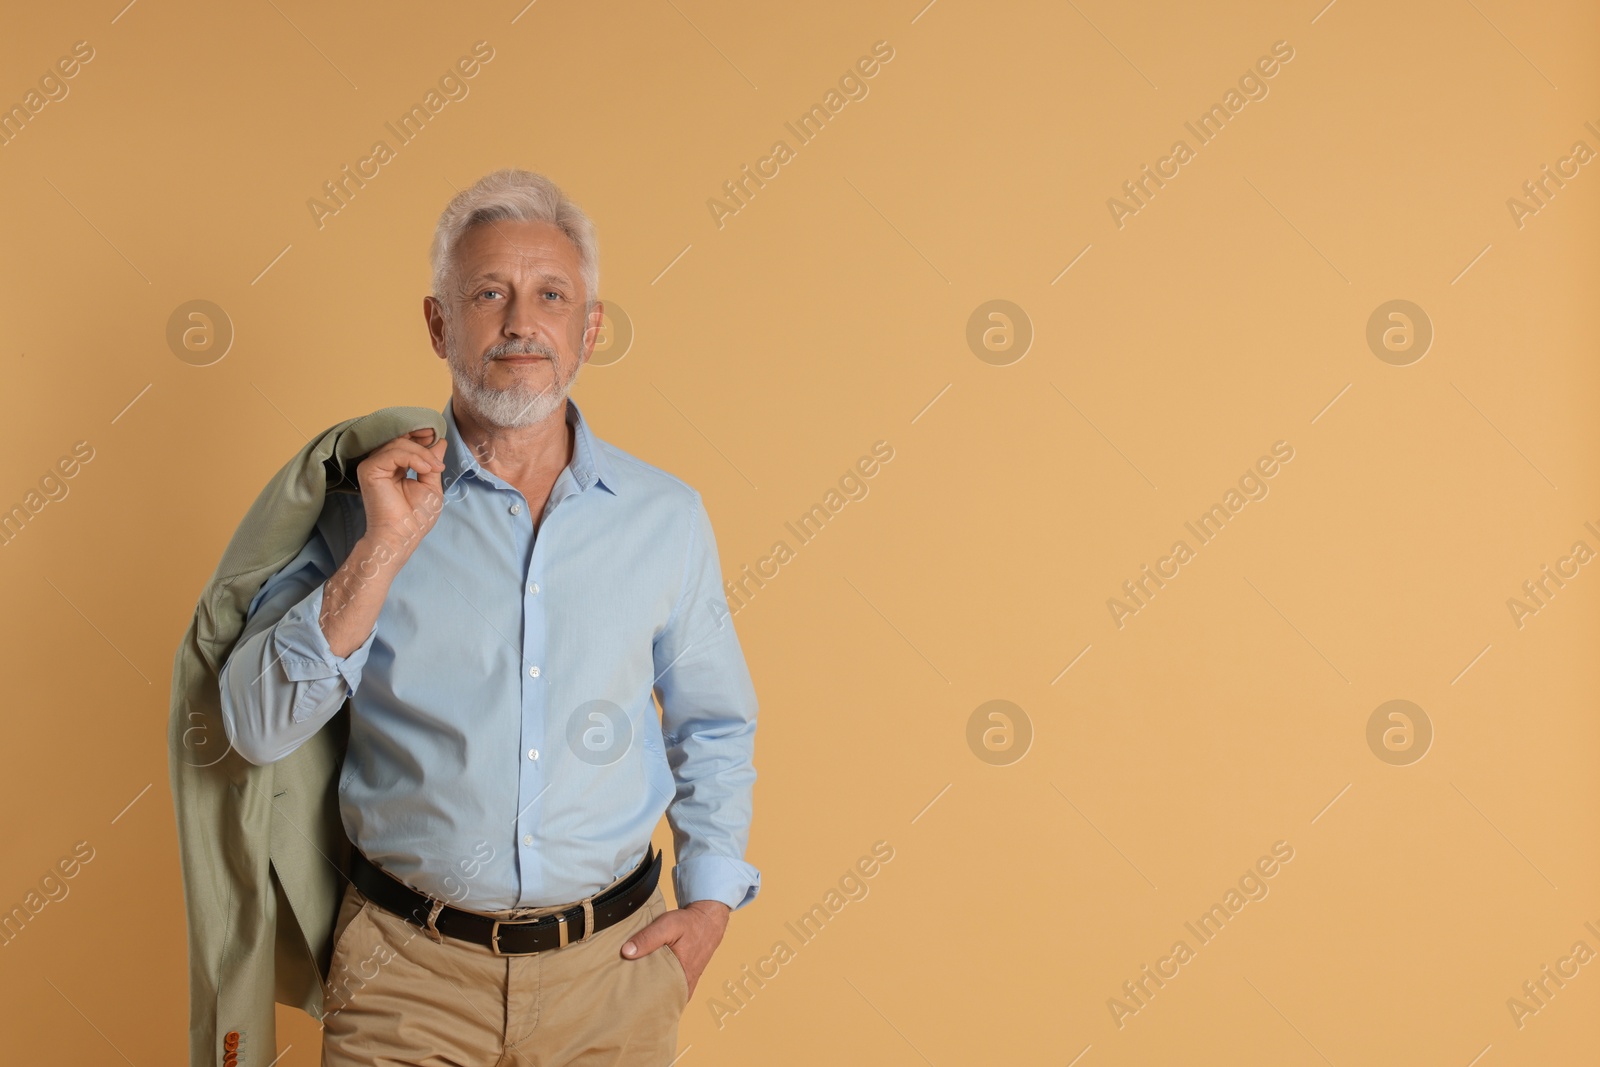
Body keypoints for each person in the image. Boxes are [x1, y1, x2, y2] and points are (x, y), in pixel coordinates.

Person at [218, 168, 760, 1066]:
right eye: (488, 293)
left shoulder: (665, 517)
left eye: (551, 296)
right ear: (439, 323)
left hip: (610, 982)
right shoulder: (358, 506)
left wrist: (708, 902)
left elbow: (713, 724)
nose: (520, 322)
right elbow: (254, 725)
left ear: (588, 329)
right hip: (403, 978)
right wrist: (383, 551)